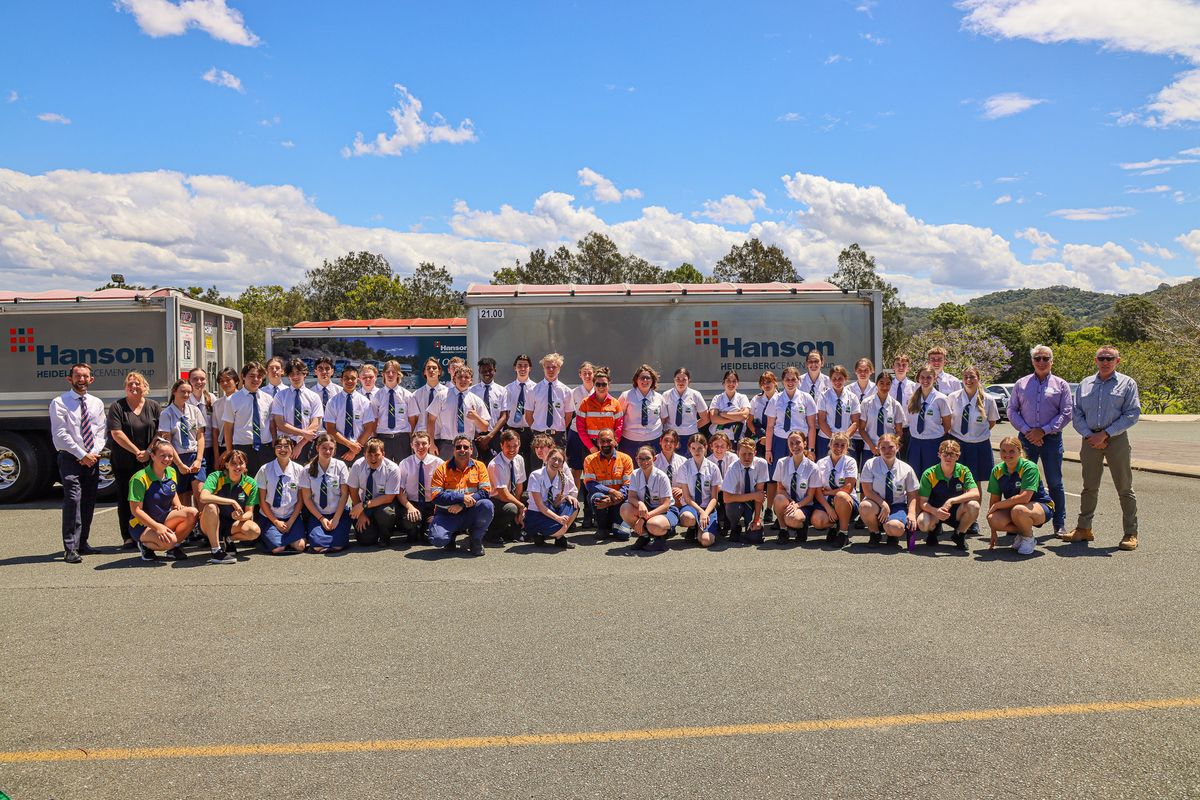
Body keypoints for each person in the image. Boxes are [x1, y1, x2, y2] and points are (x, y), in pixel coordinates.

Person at [1063, 345, 1141, 551]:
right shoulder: (1085, 384)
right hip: (1090, 439)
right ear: (1096, 360)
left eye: (1110, 358)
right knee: (1089, 486)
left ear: (1118, 361)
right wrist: (1091, 435)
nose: (1105, 362)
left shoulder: (1127, 383)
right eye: (1101, 358)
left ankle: (1130, 533)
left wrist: (1105, 434)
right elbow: (1076, 413)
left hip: (1116, 439)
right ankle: (1084, 529)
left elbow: (1132, 413)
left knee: (1124, 488)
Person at [1007, 345, 1073, 537]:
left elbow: (1066, 412)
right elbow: (1012, 410)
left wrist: (1043, 431)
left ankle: (1059, 523)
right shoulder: (1021, 383)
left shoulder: (1061, 385)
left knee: (1055, 482)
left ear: (1052, 361)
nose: (1041, 362)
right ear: (1032, 361)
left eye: (1045, 358)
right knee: (1020, 481)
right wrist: (1028, 431)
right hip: (1026, 439)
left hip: (1051, 439)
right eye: (1037, 358)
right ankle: (1016, 521)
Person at [49, 363, 107, 563]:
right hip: (71, 458)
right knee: (73, 500)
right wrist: (81, 454)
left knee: (88, 500)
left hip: (92, 459)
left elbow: (100, 432)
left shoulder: (96, 403)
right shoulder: (59, 402)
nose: (81, 379)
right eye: (77, 376)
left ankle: (83, 543)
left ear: (91, 379)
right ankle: (70, 548)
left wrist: (93, 453)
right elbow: (60, 434)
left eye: (85, 376)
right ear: (69, 379)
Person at [126, 439, 216, 562]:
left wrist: (178, 505)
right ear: (152, 456)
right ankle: (145, 545)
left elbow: (172, 491)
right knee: (170, 541)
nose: (167, 459)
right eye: (162, 455)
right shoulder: (139, 478)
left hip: (163, 518)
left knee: (192, 512)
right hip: (141, 525)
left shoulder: (171, 471)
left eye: (170, 456)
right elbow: (136, 510)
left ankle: (172, 548)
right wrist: (157, 527)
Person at [107, 370, 162, 549]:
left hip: (149, 461)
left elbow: (160, 432)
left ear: (145, 386)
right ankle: (128, 536)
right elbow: (116, 433)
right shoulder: (117, 407)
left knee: (150, 498)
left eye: (137, 383)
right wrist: (137, 451)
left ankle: (149, 532)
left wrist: (148, 451)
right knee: (126, 499)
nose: (133, 386)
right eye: (130, 384)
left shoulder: (153, 406)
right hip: (124, 462)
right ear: (125, 388)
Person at [947, 366, 999, 525]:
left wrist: (976, 435)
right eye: (966, 377)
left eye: (972, 377)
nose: (969, 380)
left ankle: (972, 520)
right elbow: (947, 419)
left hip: (979, 445)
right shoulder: (953, 397)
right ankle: (954, 517)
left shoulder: (988, 400)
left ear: (979, 379)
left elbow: (991, 422)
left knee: (974, 483)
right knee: (955, 482)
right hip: (958, 443)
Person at [986, 436, 1055, 556]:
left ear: (1019, 451)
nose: (1007, 454)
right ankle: (1023, 532)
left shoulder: (1029, 467)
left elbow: (1025, 497)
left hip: (1041, 506)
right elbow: (994, 500)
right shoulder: (997, 470)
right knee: (993, 518)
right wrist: (993, 531)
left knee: (1018, 510)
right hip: (1016, 508)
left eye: (1011, 451)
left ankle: (1028, 538)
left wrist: (998, 505)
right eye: (1003, 451)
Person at [428, 435, 494, 557]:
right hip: (447, 514)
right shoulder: (441, 469)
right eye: (458, 447)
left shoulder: (480, 466)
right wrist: (461, 497)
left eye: (466, 447)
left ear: (471, 450)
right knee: (437, 540)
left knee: (487, 505)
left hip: (469, 511)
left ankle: (475, 539)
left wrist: (462, 505)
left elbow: (485, 492)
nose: (462, 450)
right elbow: (436, 496)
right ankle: (451, 535)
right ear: (453, 450)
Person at [916, 439, 981, 551]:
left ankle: (959, 534)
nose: (948, 457)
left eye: (952, 454)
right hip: (935, 511)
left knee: (974, 505)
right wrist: (936, 511)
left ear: (958, 456)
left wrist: (951, 501)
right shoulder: (929, 473)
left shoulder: (963, 471)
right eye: (945, 454)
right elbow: (923, 503)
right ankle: (933, 531)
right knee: (923, 522)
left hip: (956, 511)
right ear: (939, 455)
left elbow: (975, 493)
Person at [857, 433, 920, 548]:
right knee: (864, 506)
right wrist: (883, 504)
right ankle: (875, 533)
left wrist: (911, 514)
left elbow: (912, 495)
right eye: (883, 448)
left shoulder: (906, 469)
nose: (887, 451)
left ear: (897, 447)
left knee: (896, 528)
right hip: (876, 503)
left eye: (891, 447)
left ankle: (891, 532)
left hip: (897, 505)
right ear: (878, 449)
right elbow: (867, 491)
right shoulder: (870, 464)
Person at [198, 449, 262, 557]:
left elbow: (249, 512)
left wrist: (241, 517)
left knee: (254, 531)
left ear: (245, 465)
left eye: (241, 463)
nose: (237, 467)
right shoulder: (216, 476)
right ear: (227, 465)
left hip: (233, 524)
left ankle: (229, 539)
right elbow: (203, 497)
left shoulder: (250, 483)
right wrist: (232, 502)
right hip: (210, 523)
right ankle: (216, 550)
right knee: (211, 506)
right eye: (233, 463)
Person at [221, 361, 275, 478]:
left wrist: (274, 445)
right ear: (243, 377)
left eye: (259, 376)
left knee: (267, 482)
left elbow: (271, 425)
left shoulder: (268, 399)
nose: (256, 379)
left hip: (265, 448)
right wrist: (230, 452)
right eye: (252, 376)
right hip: (243, 448)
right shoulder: (232, 400)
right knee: (244, 483)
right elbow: (228, 428)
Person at [158, 379, 207, 508]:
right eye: (183, 391)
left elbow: (200, 436)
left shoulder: (195, 411)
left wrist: (198, 460)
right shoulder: (166, 414)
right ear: (174, 391)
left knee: (201, 495)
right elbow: (167, 442)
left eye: (189, 392)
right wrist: (179, 464)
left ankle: (203, 520)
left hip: (194, 456)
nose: (186, 395)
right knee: (182, 498)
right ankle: (188, 521)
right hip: (177, 458)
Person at [255, 436, 307, 554]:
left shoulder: (299, 469)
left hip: (291, 516)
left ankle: (285, 538)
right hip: (270, 517)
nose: (282, 449)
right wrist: (276, 522)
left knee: (300, 546)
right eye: (279, 446)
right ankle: (272, 538)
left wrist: (291, 521)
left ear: (292, 448)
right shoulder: (265, 469)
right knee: (278, 549)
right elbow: (262, 501)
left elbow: (300, 500)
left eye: (286, 446)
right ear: (274, 449)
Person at [300, 432, 351, 553]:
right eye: (324, 448)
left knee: (338, 545)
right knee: (317, 545)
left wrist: (336, 518)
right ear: (317, 448)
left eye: (331, 449)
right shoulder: (307, 470)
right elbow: (307, 498)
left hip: (338, 513)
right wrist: (321, 518)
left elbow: (345, 494)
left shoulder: (340, 466)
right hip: (317, 514)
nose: (328, 451)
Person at [427, 364, 491, 460]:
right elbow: (431, 420)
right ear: (454, 379)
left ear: (471, 380)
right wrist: (431, 443)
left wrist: (476, 418)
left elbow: (485, 428)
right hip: (447, 445)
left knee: (469, 470)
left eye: (466, 377)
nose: (463, 380)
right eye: (460, 377)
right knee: (445, 470)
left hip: (467, 445)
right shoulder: (442, 396)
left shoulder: (476, 400)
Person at [582, 428, 635, 542]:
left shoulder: (626, 459)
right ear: (598, 443)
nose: (606, 444)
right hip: (603, 500)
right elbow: (590, 484)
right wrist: (612, 492)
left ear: (615, 441)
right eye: (602, 441)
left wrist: (613, 499)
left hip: (619, 501)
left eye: (609, 440)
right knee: (596, 497)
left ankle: (615, 524)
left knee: (622, 535)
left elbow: (629, 485)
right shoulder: (589, 459)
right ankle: (602, 528)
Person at [347, 438, 400, 546]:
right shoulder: (357, 465)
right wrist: (361, 514)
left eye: (377, 455)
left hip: (383, 504)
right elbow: (353, 491)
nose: (373, 458)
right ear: (364, 454)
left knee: (386, 513)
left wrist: (364, 505)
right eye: (369, 455)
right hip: (362, 506)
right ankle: (372, 530)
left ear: (383, 454)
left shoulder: (393, 469)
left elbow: (389, 497)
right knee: (366, 541)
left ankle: (385, 534)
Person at [527, 352, 575, 471]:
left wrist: (558, 427)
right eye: (548, 367)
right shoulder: (534, 390)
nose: (551, 370)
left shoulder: (566, 391)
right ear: (543, 368)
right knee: (537, 469)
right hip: (539, 434)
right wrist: (538, 428)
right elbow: (528, 415)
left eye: (554, 367)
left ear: (559, 368)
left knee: (557, 469)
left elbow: (568, 415)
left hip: (557, 436)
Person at [524, 446, 580, 548]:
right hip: (536, 514)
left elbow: (555, 504)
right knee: (562, 528)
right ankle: (540, 533)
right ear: (547, 459)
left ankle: (558, 537)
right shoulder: (535, 475)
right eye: (554, 459)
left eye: (560, 461)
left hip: (551, 511)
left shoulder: (563, 478)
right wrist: (558, 518)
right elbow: (540, 506)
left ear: (562, 464)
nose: (556, 463)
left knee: (574, 505)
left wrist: (566, 498)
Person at [622, 445, 676, 551]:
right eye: (641, 459)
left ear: (654, 459)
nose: (644, 462)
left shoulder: (662, 477)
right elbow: (631, 497)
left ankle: (661, 537)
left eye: (647, 458)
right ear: (636, 459)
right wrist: (640, 503)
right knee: (625, 508)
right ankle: (644, 536)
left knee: (653, 524)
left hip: (664, 511)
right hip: (646, 509)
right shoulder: (635, 474)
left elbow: (665, 505)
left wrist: (643, 519)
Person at [811, 432, 860, 548]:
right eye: (836, 444)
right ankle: (834, 526)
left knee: (841, 495)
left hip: (847, 501)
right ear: (830, 444)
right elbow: (817, 490)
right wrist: (828, 509)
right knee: (817, 521)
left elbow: (847, 488)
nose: (839, 448)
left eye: (843, 445)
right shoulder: (821, 463)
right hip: (827, 501)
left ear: (847, 447)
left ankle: (843, 533)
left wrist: (828, 492)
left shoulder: (850, 462)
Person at [770, 430, 819, 544]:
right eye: (791, 443)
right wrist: (791, 502)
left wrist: (797, 505)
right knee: (778, 498)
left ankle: (802, 527)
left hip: (805, 504)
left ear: (805, 443)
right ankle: (783, 530)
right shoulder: (781, 463)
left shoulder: (812, 467)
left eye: (798, 442)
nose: (795, 446)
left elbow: (810, 496)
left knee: (792, 519)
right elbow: (780, 489)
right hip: (788, 502)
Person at [271, 358, 324, 463]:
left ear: (305, 373)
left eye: (298, 373)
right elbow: (280, 424)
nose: (295, 377)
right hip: (285, 443)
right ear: (288, 376)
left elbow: (315, 424)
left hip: (307, 444)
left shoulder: (314, 397)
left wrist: (300, 445)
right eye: (292, 374)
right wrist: (303, 432)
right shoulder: (280, 396)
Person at [396, 431, 444, 544]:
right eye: (416, 444)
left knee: (430, 538)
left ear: (429, 444)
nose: (420, 447)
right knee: (410, 526)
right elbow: (399, 491)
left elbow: (446, 490)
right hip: (413, 503)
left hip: (432, 504)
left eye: (424, 443)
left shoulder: (439, 463)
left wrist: (438, 512)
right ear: (411, 445)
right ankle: (413, 529)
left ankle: (425, 528)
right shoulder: (405, 463)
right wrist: (410, 507)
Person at [675, 432, 721, 547]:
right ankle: (693, 526)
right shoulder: (684, 467)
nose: (697, 451)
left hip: (707, 507)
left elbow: (714, 498)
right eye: (693, 448)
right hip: (691, 506)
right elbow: (686, 498)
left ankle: (701, 529)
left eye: (700, 448)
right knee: (687, 518)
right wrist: (701, 512)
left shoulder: (713, 468)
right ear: (689, 449)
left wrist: (705, 513)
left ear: (706, 447)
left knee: (706, 541)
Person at [766, 366, 817, 466]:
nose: (790, 382)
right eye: (787, 379)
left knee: (801, 472)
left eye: (793, 379)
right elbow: (770, 426)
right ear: (782, 381)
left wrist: (811, 449)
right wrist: (768, 450)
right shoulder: (775, 399)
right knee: (779, 473)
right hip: (780, 442)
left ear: (798, 381)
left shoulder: (806, 398)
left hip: (800, 442)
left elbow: (812, 426)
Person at [721, 437, 770, 543]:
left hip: (754, 503)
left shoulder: (762, 464)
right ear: (737, 453)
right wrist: (754, 495)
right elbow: (726, 498)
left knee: (755, 538)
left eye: (750, 454)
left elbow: (759, 495)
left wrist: (756, 519)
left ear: (755, 453)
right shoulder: (732, 468)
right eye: (743, 454)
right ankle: (735, 526)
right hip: (737, 502)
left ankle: (751, 523)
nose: (747, 457)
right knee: (732, 507)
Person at [906, 365, 952, 477]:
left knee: (932, 476)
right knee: (914, 476)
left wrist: (936, 435)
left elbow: (947, 424)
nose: (925, 380)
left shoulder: (941, 398)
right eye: (922, 377)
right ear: (918, 378)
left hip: (933, 443)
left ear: (934, 378)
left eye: (929, 377)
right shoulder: (913, 398)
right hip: (915, 443)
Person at [323, 365, 376, 463]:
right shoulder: (332, 402)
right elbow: (330, 429)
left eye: (353, 378)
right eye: (346, 378)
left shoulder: (365, 402)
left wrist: (354, 450)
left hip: (360, 446)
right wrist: (350, 445)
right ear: (341, 380)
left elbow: (369, 428)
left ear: (357, 380)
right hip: (338, 446)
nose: (349, 381)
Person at [566, 361, 596, 524]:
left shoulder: (598, 389)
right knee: (576, 471)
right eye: (584, 373)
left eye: (590, 372)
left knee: (592, 472)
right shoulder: (574, 393)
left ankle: (591, 510)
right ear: (580, 375)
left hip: (593, 435)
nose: (587, 375)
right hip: (577, 434)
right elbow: (569, 414)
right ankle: (575, 507)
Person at [617, 364, 667, 459]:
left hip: (654, 441)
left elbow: (663, 418)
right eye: (642, 377)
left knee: (653, 467)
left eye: (648, 378)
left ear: (652, 380)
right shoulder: (626, 396)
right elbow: (618, 417)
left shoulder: (659, 398)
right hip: (630, 442)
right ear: (636, 379)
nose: (645, 380)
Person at [486, 429, 526, 544]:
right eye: (508, 446)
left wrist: (520, 505)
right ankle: (492, 532)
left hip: (511, 497)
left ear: (519, 445)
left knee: (530, 498)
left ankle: (514, 528)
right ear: (501, 446)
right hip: (496, 499)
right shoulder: (495, 465)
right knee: (511, 509)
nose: (512, 449)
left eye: (515, 446)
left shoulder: (519, 459)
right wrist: (520, 506)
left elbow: (519, 485)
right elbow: (503, 495)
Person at [371, 359, 414, 464]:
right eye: (387, 372)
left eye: (393, 372)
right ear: (383, 374)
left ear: (398, 374)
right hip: (383, 439)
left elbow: (412, 419)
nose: (390, 375)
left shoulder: (407, 395)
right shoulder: (377, 396)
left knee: (404, 468)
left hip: (402, 439)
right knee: (383, 469)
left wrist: (411, 439)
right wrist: (374, 439)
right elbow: (374, 420)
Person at [575, 366, 623, 456]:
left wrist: (614, 442)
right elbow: (580, 427)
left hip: (609, 445)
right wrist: (590, 446)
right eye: (598, 384)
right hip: (590, 445)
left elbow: (619, 426)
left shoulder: (615, 403)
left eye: (604, 384)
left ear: (609, 384)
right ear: (594, 384)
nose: (601, 387)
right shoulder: (585, 403)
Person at [815, 365, 860, 461]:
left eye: (840, 378)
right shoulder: (824, 396)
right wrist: (833, 438)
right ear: (830, 380)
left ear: (845, 378)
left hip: (846, 440)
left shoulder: (852, 397)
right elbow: (821, 420)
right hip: (826, 439)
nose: (837, 381)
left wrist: (844, 438)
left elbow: (855, 422)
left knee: (847, 467)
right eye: (834, 379)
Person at [859, 371, 905, 461]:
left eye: (888, 384)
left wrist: (891, 445)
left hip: (889, 451)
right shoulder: (866, 403)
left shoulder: (896, 405)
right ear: (876, 384)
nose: (885, 387)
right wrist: (872, 446)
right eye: (881, 383)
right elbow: (861, 429)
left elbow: (899, 432)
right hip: (870, 449)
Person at [501, 354, 538, 463]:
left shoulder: (536, 388)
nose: (522, 368)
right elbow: (505, 412)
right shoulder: (507, 389)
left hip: (529, 431)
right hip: (512, 429)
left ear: (530, 368)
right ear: (515, 368)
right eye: (519, 365)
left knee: (530, 462)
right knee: (512, 461)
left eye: (525, 366)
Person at [662, 367, 708, 453]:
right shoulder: (666, 395)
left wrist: (692, 426)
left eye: (684, 379)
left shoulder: (695, 395)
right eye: (678, 379)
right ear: (674, 380)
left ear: (689, 381)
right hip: (671, 437)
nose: (681, 382)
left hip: (689, 437)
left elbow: (705, 418)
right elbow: (663, 418)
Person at [470, 357, 507, 461]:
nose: (487, 373)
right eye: (484, 371)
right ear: (479, 371)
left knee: (495, 466)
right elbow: (469, 416)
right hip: (476, 437)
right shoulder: (471, 391)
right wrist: (477, 437)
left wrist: (489, 436)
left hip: (495, 436)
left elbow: (504, 416)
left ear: (495, 370)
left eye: (490, 370)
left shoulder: (502, 391)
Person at [411, 358, 448, 449]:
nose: (431, 370)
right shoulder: (416, 394)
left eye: (434, 368)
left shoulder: (448, 393)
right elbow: (414, 419)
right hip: (420, 439)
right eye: (428, 368)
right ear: (424, 372)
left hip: (440, 438)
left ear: (439, 372)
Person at [707, 431, 737, 535]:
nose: (719, 449)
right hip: (715, 490)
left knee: (727, 497)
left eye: (722, 446)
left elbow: (734, 478)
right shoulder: (707, 461)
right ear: (711, 446)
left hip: (730, 489)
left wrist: (723, 486)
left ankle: (728, 523)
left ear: (728, 447)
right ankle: (717, 523)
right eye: (716, 445)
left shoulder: (733, 458)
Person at [708, 370, 751, 443]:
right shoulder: (717, 398)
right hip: (718, 439)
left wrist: (723, 414)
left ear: (737, 383)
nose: (731, 383)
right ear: (723, 382)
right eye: (728, 381)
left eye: (734, 381)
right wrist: (736, 418)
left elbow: (744, 415)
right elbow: (714, 419)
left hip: (737, 439)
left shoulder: (742, 397)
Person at [210, 367, 239, 472]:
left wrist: (228, 451)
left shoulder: (243, 400)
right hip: (221, 447)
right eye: (222, 381)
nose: (225, 383)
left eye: (228, 380)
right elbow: (215, 432)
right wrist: (217, 457)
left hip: (237, 446)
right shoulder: (217, 404)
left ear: (236, 381)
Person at [849, 358, 876, 466]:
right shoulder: (848, 389)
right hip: (853, 436)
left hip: (869, 436)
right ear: (855, 371)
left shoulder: (876, 389)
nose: (863, 373)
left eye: (866, 370)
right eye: (860, 370)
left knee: (867, 467)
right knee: (852, 466)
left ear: (871, 371)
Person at [890, 355, 918, 460]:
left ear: (908, 368)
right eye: (898, 365)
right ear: (893, 367)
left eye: (904, 365)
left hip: (908, 430)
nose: (901, 367)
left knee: (907, 459)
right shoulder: (887, 385)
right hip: (891, 428)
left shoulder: (914, 387)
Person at [748, 370, 778, 458]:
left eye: (768, 382)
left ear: (775, 382)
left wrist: (769, 438)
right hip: (760, 439)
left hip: (776, 438)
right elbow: (749, 421)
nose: (766, 385)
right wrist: (759, 435)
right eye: (763, 383)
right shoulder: (756, 399)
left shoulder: (781, 399)